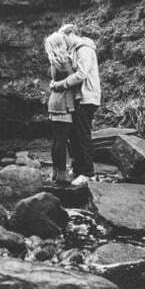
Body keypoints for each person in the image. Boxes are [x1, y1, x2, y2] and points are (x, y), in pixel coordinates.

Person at [50, 24, 101, 187]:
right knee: (76, 136)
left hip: (87, 98)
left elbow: (81, 74)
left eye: (64, 38)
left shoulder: (84, 49)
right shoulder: (77, 49)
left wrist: (59, 85)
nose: (63, 43)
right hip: (81, 98)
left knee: (83, 136)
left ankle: (87, 173)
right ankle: (79, 169)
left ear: (71, 34)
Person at [44, 32, 76, 185]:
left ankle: (55, 173)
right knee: (62, 141)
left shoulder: (53, 61)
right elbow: (74, 79)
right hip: (63, 104)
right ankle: (62, 175)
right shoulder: (64, 60)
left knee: (56, 140)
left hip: (53, 102)